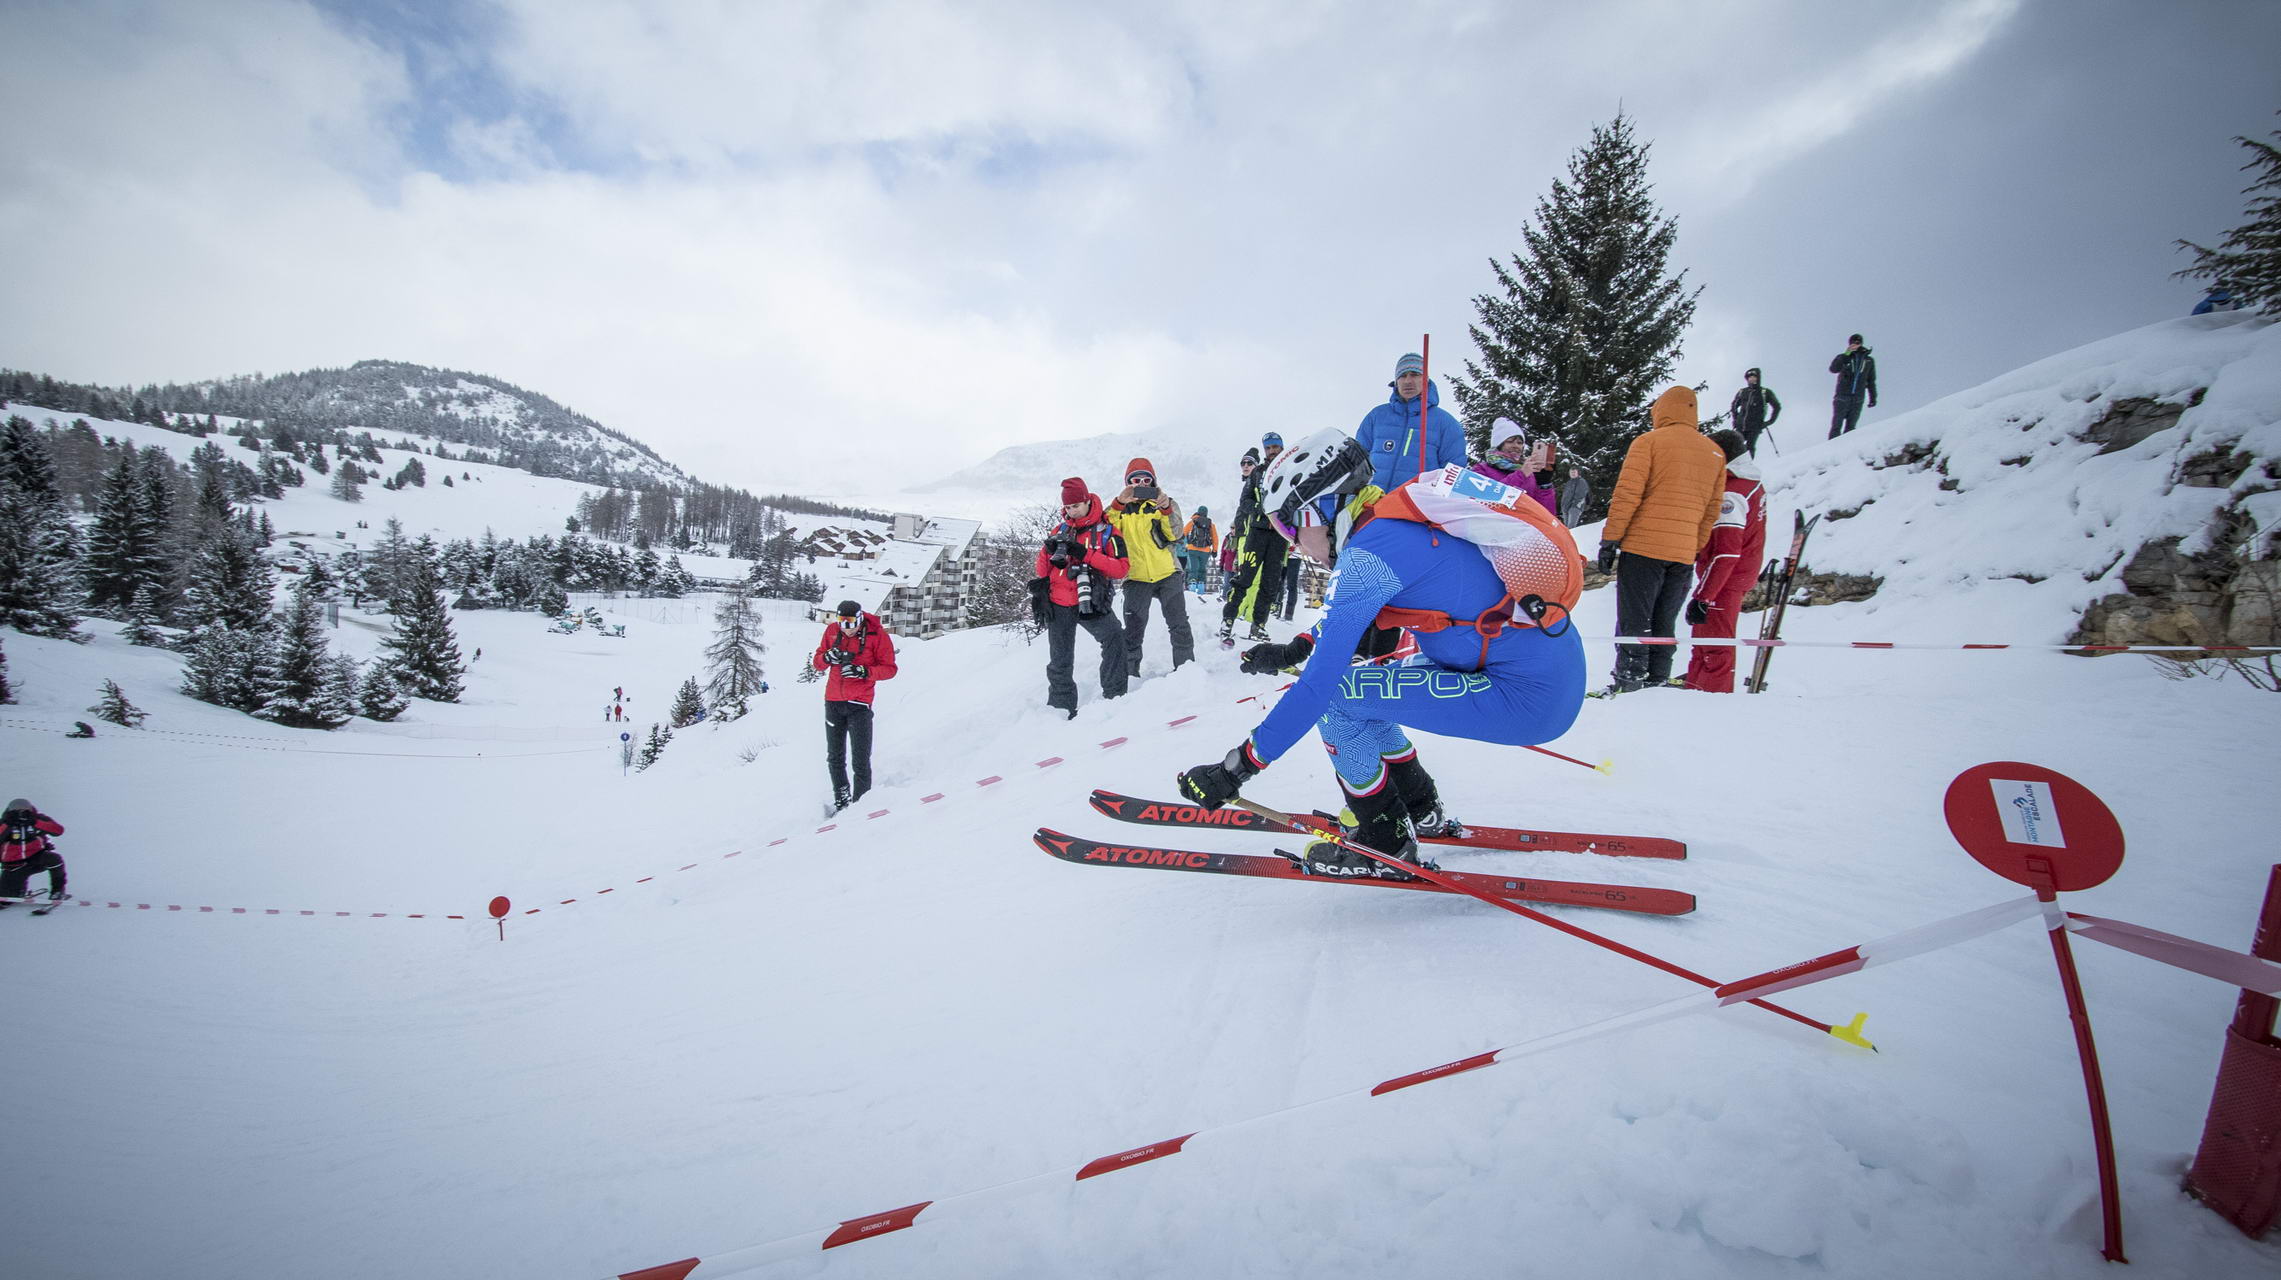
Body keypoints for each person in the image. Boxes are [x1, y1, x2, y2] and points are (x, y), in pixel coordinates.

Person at [1174, 429, 1585, 879]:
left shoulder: (1369, 556)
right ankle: (1418, 807)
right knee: (1367, 687)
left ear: (1319, 508)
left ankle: (1383, 842)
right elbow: (1348, 620)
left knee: (1338, 699)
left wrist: (1235, 769)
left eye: (1289, 525)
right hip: (1539, 676)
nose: (1292, 543)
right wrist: (1296, 647)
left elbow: (1318, 688)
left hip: (1524, 696)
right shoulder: (1391, 527)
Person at [1595, 386, 1728, 695]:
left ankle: (1629, 680)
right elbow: (1712, 510)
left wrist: (1610, 540)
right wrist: (1692, 547)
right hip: (1682, 555)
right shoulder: (1715, 454)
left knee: (1635, 619)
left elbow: (1627, 495)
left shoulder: (1649, 442)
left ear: (1662, 410)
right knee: (1664, 620)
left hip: (1643, 548)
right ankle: (1657, 680)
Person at [1033, 477, 1130, 718]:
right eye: (1067, 507)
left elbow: (1121, 568)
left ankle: (1115, 697)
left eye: (1076, 506)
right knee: (1060, 659)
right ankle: (1060, 708)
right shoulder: (1060, 529)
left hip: (1092, 599)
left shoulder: (1107, 531)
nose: (1071, 511)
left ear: (1088, 501)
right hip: (1059, 601)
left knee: (1115, 639)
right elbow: (1042, 571)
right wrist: (1048, 550)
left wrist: (1085, 554)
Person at [1681, 430, 1767, 693]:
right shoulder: (1747, 483)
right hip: (1730, 576)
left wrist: (1704, 596)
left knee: (1714, 647)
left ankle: (1713, 699)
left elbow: (1726, 552)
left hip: (1724, 580)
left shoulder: (1732, 493)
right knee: (1703, 642)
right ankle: (1695, 689)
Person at [1105, 457, 1195, 675]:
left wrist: (1165, 509)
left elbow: (1175, 535)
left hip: (1168, 573)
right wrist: (1119, 502)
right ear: (1128, 483)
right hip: (1135, 577)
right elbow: (1105, 530)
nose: (1142, 485)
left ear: (1153, 482)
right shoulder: (1119, 508)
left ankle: (1186, 671)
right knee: (1134, 630)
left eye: (1147, 480)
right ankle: (1129, 674)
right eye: (1136, 480)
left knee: (1179, 624)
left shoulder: (1167, 503)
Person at [811, 599, 898, 811]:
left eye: (851, 624)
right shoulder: (833, 631)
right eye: (842, 623)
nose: (846, 629)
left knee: (860, 758)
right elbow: (817, 662)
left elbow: (890, 669)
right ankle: (841, 800)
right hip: (833, 701)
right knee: (835, 756)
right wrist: (828, 658)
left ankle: (861, 805)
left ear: (860, 619)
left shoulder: (877, 635)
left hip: (859, 703)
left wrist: (863, 671)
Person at [1355, 351, 1469, 492]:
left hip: (1414, 506)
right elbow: (1356, 461)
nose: (1408, 381)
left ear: (1425, 380)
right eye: (1402, 376)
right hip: (1371, 504)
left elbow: (1453, 475)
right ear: (1396, 382)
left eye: (1415, 374)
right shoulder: (1377, 416)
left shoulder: (1446, 423)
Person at [1221, 435, 1289, 643]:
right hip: (1257, 532)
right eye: (1268, 448)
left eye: (1276, 447)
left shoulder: (1291, 471)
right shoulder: (1258, 473)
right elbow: (1245, 500)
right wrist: (1260, 510)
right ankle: (1228, 620)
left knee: (1270, 583)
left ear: (1282, 448)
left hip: (1280, 535)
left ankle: (1258, 625)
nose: (1272, 451)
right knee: (1244, 579)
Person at [1469, 418, 1558, 516]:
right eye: (1510, 441)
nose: (1516, 446)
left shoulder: (1529, 472)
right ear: (1498, 444)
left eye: (1520, 443)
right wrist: (1521, 475)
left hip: (1525, 528)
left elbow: (1546, 515)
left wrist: (1544, 484)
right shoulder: (1482, 469)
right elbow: (1484, 500)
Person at [0, 798, 67, 907]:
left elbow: (58, 830)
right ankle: (18, 891)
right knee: (4, 901)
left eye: (25, 809)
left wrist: (35, 821)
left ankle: (57, 891)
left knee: (54, 859)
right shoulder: (4, 822)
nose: (21, 812)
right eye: (17, 810)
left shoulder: (38, 819)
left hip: (36, 859)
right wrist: (8, 824)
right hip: (13, 865)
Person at [1828, 335, 1878, 438]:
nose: (1855, 344)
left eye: (1857, 342)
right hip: (1842, 397)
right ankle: (1831, 450)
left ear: (1861, 343)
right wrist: (1847, 354)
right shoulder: (1843, 357)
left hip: (1858, 398)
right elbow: (1833, 369)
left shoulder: (1868, 361)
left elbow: (1871, 380)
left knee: (1851, 428)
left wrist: (1873, 397)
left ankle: (1847, 450)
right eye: (1853, 342)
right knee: (1836, 425)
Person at [1728, 368, 1782, 456]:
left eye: (1754, 377)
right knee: (1735, 445)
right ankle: (1732, 465)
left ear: (1758, 378)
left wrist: (1769, 422)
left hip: (1755, 426)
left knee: (1750, 446)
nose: (1751, 379)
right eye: (1749, 377)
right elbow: (1734, 405)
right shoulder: (1742, 392)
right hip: (1740, 425)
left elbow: (1777, 406)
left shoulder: (1765, 392)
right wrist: (1736, 419)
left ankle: (1746, 465)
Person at [1179, 504, 1217, 590]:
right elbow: (1215, 538)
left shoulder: (1193, 521)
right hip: (1205, 550)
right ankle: (1201, 588)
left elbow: (1183, 533)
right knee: (1202, 569)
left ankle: (1192, 587)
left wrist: (1180, 541)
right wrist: (1215, 550)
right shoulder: (1210, 524)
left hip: (1192, 549)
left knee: (1193, 568)